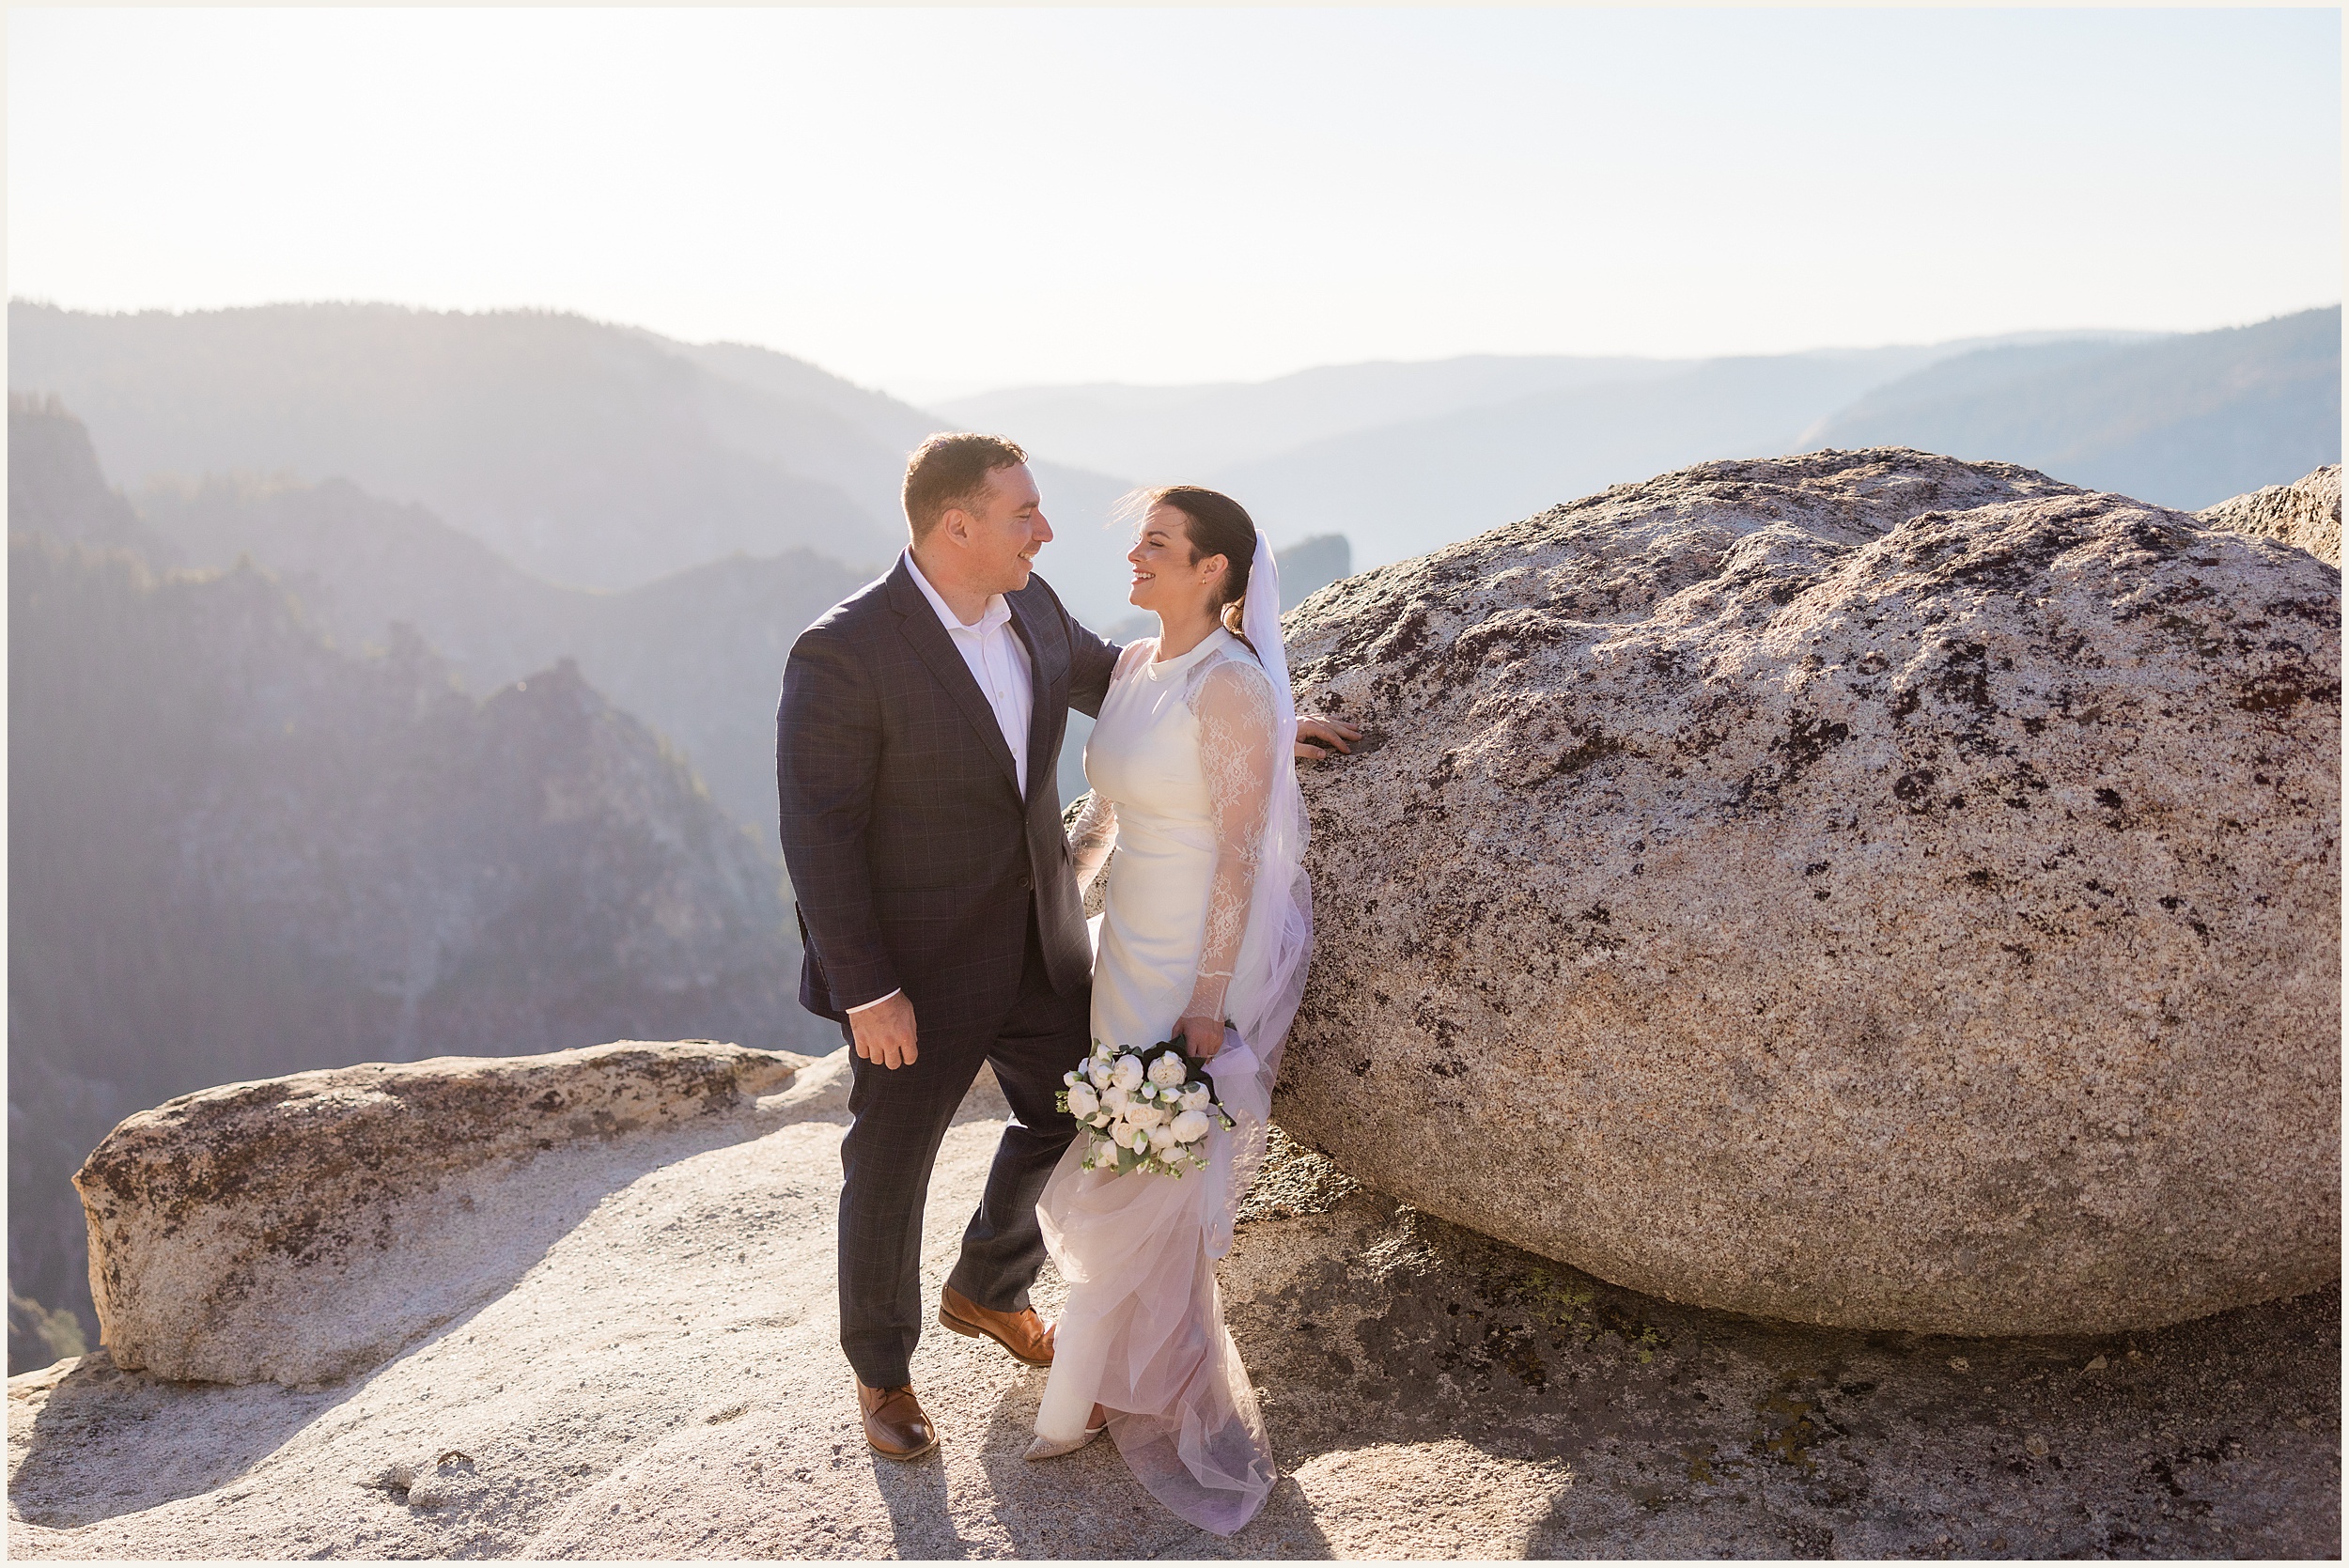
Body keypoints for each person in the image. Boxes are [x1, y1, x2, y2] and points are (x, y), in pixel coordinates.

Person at [775, 437, 1356, 1464]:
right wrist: (868, 989)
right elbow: (816, 835)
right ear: (958, 527)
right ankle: (882, 1373)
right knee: (889, 1162)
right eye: (1024, 513)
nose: (1045, 531)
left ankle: (986, 1285)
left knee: (1072, 1113)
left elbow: (1131, 682)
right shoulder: (845, 649)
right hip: (915, 971)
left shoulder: (1032, 607)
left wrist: (1263, 720)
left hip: (1042, 947)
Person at [1023, 484, 1313, 1537]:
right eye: (1139, 540)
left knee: (1141, 1167)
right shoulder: (1140, 668)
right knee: (1121, 1147)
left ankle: (1094, 1391)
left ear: (1214, 573)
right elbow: (1108, 809)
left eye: (1159, 545)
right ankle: (1114, 1369)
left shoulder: (1231, 686)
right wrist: (1057, 891)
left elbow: (1239, 849)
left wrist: (1203, 1004)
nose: (1136, 555)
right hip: (1125, 945)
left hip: (1196, 957)